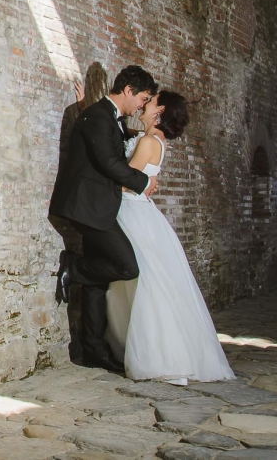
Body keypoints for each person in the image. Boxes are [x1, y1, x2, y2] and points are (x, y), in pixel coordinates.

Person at [104, 90, 235, 383]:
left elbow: (125, 183)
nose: (144, 103)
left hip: (131, 211)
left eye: (150, 101)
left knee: (144, 282)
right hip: (143, 213)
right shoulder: (154, 140)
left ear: (160, 110)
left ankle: (155, 355)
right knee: (143, 280)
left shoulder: (149, 141)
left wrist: (135, 181)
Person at [49, 65, 159, 373]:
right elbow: (108, 161)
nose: (142, 105)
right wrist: (142, 182)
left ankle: (93, 350)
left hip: (99, 206)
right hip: (87, 207)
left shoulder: (107, 116)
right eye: (143, 98)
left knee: (99, 282)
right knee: (126, 266)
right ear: (128, 91)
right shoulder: (99, 116)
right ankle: (73, 267)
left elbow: (112, 146)